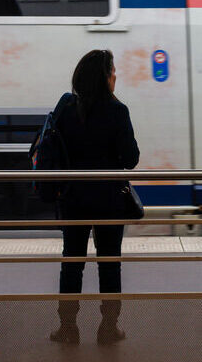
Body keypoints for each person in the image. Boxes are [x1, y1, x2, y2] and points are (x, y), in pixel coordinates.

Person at [49, 49, 140, 345]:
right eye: (112, 71)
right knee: (110, 263)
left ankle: (68, 328)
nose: (116, 76)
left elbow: (52, 147)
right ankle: (108, 328)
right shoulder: (117, 111)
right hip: (109, 201)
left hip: (72, 197)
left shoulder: (65, 105)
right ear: (104, 77)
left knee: (71, 262)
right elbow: (131, 158)